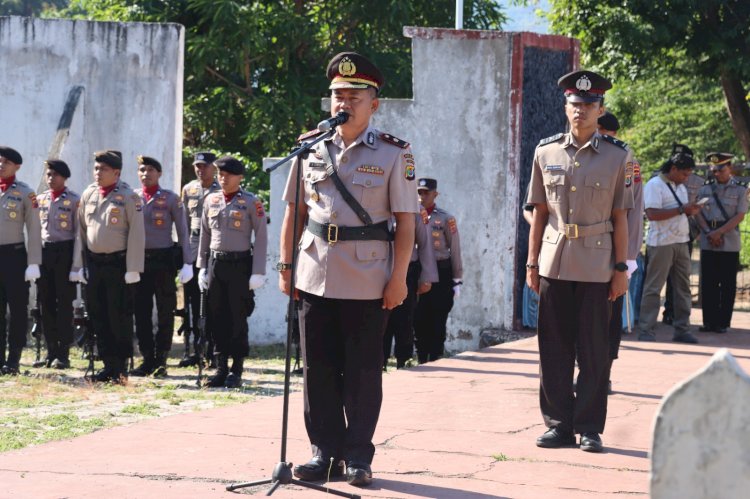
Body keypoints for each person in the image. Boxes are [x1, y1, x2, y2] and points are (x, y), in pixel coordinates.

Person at [279, 51, 417, 486]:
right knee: (316, 368)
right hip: (315, 270)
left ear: (374, 104)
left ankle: (358, 455)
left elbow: (406, 221)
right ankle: (324, 452)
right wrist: (286, 266)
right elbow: (293, 212)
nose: (343, 103)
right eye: (337, 95)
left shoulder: (395, 153)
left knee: (361, 371)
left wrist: (398, 279)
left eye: (354, 96)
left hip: (368, 278)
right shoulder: (310, 147)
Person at [526, 70, 632, 453]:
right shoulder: (546, 151)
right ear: (565, 107)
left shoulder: (619, 157)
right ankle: (558, 424)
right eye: (575, 104)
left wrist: (622, 269)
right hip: (554, 261)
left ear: (600, 109)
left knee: (593, 351)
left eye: (589, 105)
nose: (581, 111)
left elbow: (622, 216)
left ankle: (589, 426)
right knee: (552, 348)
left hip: (598, 266)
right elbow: (538, 211)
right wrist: (531, 262)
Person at [196, 156, 267, 388]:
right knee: (216, 317)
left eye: (227, 175)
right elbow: (205, 235)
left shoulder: (250, 202)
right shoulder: (211, 200)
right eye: (220, 174)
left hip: (240, 265)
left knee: (238, 317)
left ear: (240, 177)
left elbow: (262, 236)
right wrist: (202, 267)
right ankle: (220, 367)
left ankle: (236, 369)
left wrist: (257, 271)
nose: (222, 179)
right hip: (217, 264)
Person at [78, 150, 145, 383]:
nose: (97, 173)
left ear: (116, 172)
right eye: (96, 168)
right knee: (98, 315)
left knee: (119, 316)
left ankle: (120, 367)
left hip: (119, 264)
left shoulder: (128, 197)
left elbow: (137, 232)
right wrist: (80, 265)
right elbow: (82, 231)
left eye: (103, 169)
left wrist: (133, 267)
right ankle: (107, 364)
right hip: (95, 264)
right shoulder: (89, 193)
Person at [130, 156, 192, 377]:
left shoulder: (170, 199)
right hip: (139, 260)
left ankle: (161, 358)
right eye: (142, 170)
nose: (145, 174)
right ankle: (147, 357)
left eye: (150, 170)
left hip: (163, 259)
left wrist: (187, 262)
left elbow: (183, 231)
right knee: (141, 310)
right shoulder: (132, 197)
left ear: (159, 173)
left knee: (166, 310)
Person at [597, 112, 644, 394]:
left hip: (614, 253)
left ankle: (604, 372)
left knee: (610, 316)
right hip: (587, 252)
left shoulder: (627, 161)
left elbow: (633, 211)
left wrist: (627, 257)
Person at [636, 144, 700, 344]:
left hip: (681, 241)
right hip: (661, 243)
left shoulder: (679, 186)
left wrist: (689, 210)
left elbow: (680, 209)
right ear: (673, 169)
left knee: (683, 288)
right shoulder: (655, 185)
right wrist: (683, 210)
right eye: (684, 174)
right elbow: (652, 214)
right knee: (654, 288)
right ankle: (646, 329)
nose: (686, 178)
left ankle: (682, 329)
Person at [36, 159, 83, 369]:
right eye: (48, 174)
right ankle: (50, 350)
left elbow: (78, 234)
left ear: (64, 177)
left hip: (64, 252)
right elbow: (36, 231)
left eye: (55, 175)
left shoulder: (74, 200)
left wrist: (76, 266)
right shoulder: (41, 199)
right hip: (45, 253)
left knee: (64, 305)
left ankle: (63, 353)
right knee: (45, 304)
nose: (50, 178)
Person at [0, 146, 42, 375]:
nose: (1, 165)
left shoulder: (26, 193)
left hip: (14, 257)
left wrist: (33, 261)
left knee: (17, 310)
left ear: (16, 166)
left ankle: (13, 359)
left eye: (6, 162)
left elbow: (34, 229)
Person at [695, 152, 747, 333]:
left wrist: (719, 233)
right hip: (709, 238)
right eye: (714, 170)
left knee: (727, 284)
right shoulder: (705, 189)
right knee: (709, 283)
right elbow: (697, 212)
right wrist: (710, 232)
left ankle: (723, 322)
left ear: (729, 168)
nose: (717, 173)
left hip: (729, 240)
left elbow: (740, 215)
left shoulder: (740, 190)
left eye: (720, 170)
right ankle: (708, 322)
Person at [413, 178, 463, 363]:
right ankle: (421, 357)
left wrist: (457, 278)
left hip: (441, 271)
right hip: (419, 271)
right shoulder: (412, 215)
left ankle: (436, 355)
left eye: (426, 192)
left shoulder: (445, 218)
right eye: (419, 192)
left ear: (435, 194)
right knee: (418, 316)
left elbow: (455, 248)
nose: (422, 196)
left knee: (438, 316)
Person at [382, 206, 437, 369]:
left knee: (404, 318)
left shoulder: (416, 211)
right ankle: (380, 359)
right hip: (379, 268)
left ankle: (403, 359)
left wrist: (427, 277)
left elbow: (426, 245)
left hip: (407, 270)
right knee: (379, 318)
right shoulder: (376, 202)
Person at [180, 152, 220, 367]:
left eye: (204, 166)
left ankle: (213, 350)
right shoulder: (188, 189)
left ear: (213, 168)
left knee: (212, 303)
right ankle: (194, 350)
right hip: (193, 249)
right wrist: (185, 256)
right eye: (197, 166)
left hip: (214, 248)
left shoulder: (221, 190)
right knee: (193, 304)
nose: (200, 169)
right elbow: (184, 224)